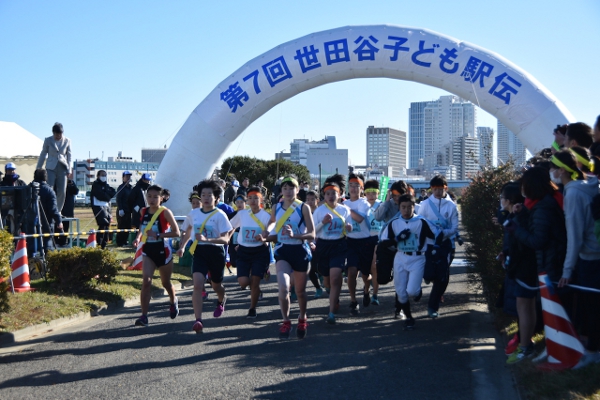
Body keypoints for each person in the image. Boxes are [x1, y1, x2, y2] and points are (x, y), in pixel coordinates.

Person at [508, 166, 567, 362]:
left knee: (551, 310)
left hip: (550, 265)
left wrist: (515, 228)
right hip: (550, 263)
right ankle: (552, 348)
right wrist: (523, 213)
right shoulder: (545, 204)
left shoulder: (543, 208)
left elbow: (537, 241)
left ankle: (556, 350)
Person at [551, 151, 600, 367]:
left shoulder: (572, 194)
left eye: (553, 167)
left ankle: (591, 352)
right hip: (595, 253)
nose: (550, 172)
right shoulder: (590, 185)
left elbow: (575, 235)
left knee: (591, 307)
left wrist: (567, 271)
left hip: (589, 258)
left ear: (562, 170)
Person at [177, 179, 233, 334]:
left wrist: (208, 239)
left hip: (216, 252)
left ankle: (221, 299)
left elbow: (225, 239)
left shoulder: (220, 215)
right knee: (197, 283)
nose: (206, 197)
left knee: (216, 285)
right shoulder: (193, 214)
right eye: (203, 194)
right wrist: (182, 246)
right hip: (200, 252)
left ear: (215, 197)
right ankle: (198, 320)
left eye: (210, 194)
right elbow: (188, 231)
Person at [267, 176, 315, 338]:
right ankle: (286, 321)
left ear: (298, 190)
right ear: (281, 191)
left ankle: (302, 317)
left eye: (291, 188)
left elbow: (312, 233)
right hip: (283, 251)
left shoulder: (303, 208)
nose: (288, 192)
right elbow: (272, 224)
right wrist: (265, 235)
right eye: (285, 188)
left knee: (300, 291)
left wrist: (296, 235)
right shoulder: (276, 207)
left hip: (300, 251)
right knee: (283, 287)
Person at [385, 194, 437, 330]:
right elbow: (385, 242)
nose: (406, 210)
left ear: (414, 207)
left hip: (417, 258)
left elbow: (436, 234)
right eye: (403, 207)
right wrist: (398, 239)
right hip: (400, 257)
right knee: (401, 292)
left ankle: (418, 291)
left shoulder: (421, 222)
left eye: (409, 207)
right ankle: (409, 317)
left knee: (412, 291)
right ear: (399, 207)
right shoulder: (394, 223)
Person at [132, 185, 181, 327]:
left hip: (164, 252)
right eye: (149, 196)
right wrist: (138, 238)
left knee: (166, 283)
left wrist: (158, 234)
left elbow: (177, 233)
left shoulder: (165, 213)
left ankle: (173, 301)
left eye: (155, 197)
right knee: (146, 281)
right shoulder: (144, 211)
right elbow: (143, 227)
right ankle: (144, 316)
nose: (151, 200)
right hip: (148, 251)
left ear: (162, 198)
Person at [312, 174, 352, 325]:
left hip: (339, 245)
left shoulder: (344, 210)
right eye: (327, 193)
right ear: (324, 195)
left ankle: (330, 312)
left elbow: (349, 228)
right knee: (327, 280)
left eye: (333, 193)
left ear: (340, 194)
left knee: (336, 277)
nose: (330, 196)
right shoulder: (319, 211)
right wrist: (322, 222)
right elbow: (313, 231)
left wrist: (349, 228)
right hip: (323, 246)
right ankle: (330, 293)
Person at [417, 175, 458, 319]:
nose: (438, 192)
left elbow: (454, 227)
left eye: (441, 189)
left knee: (442, 276)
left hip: (447, 245)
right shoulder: (425, 204)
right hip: (429, 245)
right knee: (429, 274)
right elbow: (420, 222)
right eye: (435, 189)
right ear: (431, 189)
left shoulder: (451, 205)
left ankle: (432, 306)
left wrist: (442, 234)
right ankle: (430, 279)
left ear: (445, 188)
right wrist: (432, 233)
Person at [229, 187, 271, 318]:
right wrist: (227, 238)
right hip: (243, 251)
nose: (253, 201)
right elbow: (231, 226)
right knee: (243, 282)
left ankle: (252, 308)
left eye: (256, 198)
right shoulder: (242, 214)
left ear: (261, 200)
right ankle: (257, 290)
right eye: (250, 198)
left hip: (259, 251)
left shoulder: (266, 216)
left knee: (255, 281)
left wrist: (264, 237)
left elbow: (270, 233)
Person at [344, 173, 375, 314]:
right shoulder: (344, 203)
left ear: (362, 189)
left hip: (365, 242)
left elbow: (359, 219)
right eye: (351, 185)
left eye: (357, 186)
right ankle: (353, 301)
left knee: (366, 275)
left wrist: (345, 210)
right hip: (350, 242)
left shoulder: (364, 203)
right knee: (351, 272)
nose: (354, 188)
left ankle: (366, 290)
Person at [36, 122, 72, 212]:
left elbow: (69, 156)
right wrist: (38, 168)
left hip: (63, 167)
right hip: (50, 167)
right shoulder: (48, 140)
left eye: (60, 134)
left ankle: (58, 211)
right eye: (56, 134)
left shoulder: (67, 140)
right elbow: (43, 154)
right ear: (53, 133)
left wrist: (69, 169)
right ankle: (48, 210)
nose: (58, 136)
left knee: (62, 191)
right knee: (49, 188)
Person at [32, 169, 63, 251]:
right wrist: (59, 221)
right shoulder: (49, 191)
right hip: (46, 222)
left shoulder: (28, 188)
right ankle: (48, 261)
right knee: (48, 245)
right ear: (45, 177)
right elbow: (53, 209)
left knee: (31, 245)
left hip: (30, 222)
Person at [364, 179, 384, 305]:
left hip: (378, 239)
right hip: (364, 239)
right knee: (365, 271)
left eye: (374, 192)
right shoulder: (362, 205)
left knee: (375, 267)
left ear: (378, 193)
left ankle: (375, 295)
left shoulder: (382, 205)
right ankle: (366, 289)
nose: (371, 195)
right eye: (368, 192)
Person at [90, 170, 116, 249]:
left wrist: (107, 194)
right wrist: (107, 195)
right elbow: (100, 195)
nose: (104, 177)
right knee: (103, 224)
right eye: (102, 175)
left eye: (105, 175)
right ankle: (100, 243)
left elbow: (113, 192)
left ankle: (104, 244)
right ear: (98, 176)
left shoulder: (106, 185)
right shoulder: (96, 185)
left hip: (107, 207)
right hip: (98, 206)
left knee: (107, 225)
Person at [305, 190, 323, 298]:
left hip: (321, 242)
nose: (310, 202)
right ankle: (318, 288)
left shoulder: (321, 212)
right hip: (309, 243)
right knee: (310, 270)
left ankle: (322, 276)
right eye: (307, 200)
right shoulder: (304, 212)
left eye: (312, 199)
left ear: (317, 200)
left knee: (320, 267)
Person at [55, 179, 78, 246]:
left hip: (68, 209)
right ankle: (55, 241)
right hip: (59, 207)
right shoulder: (57, 181)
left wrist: (71, 184)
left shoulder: (71, 182)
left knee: (66, 227)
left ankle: (63, 242)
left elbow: (76, 191)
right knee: (57, 226)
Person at [116, 171, 133, 246]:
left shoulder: (130, 188)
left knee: (128, 226)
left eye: (129, 177)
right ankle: (120, 242)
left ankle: (125, 241)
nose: (128, 178)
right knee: (121, 226)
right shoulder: (121, 187)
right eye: (126, 177)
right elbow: (118, 199)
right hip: (122, 210)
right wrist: (120, 209)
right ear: (123, 178)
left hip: (128, 210)